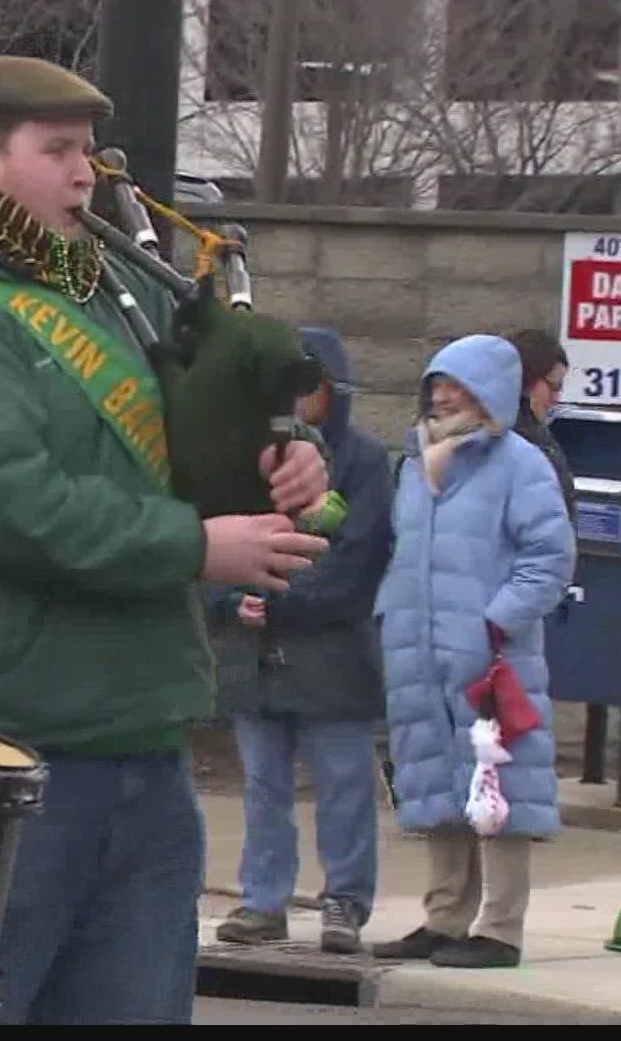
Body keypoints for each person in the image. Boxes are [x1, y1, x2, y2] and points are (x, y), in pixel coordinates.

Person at [0, 54, 331, 1025]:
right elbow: (21, 510)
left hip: (137, 738)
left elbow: (195, 434)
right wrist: (197, 548)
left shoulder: (103, 294)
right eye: (57, 152)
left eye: (87, 155)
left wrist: (287, 456)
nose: (84, 177)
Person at [370, 333, 576, 970]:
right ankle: (445, 917)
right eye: (435, 383)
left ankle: (502, 929)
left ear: (488, 392)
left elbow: (550, 559)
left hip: (492, 659)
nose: (440, 395)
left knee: (501, 789)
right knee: (434, 783)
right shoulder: (415, 462)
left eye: (454, 385)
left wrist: (494, 622)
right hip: (419, 655)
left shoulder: (521, 464)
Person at [208, 325, 393, 955]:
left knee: (344, 782)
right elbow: (216, 538)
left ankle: (345, 900)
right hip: (255, 656)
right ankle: (263, 901)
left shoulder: (364, 462)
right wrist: (236, 597)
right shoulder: (247, 456)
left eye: (308, 390)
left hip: (333, 656)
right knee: (262, 784)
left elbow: (358, 562)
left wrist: (279, 599)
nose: (295, 404)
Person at [506, 328, 574, 514]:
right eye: (554, 386)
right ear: (528, 380)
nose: (556, 398)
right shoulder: (522, 447)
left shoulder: (534, 435)